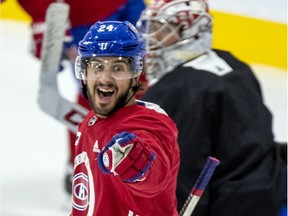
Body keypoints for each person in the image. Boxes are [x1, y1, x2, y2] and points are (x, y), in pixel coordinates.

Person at [137, 0, 287, 215]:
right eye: (152, 27)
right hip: (269, 183)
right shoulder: (232, 63)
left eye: (164, 29)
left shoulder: (177, 91)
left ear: (193, 32)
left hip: (237, 203)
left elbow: (182, 172)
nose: (153, 38)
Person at [16, 0, 147, 194]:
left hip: (127, 6)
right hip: (87, 23)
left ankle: (142, 154)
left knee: (140, 83)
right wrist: (46, 29)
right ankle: (83, 161)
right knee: (99, 90)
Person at [70, 20, 180, 215]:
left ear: (136, 74)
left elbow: (154, 179)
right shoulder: (90, 122)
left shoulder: (149, 124)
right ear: (84, 72)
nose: (105, 78)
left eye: (118, 68)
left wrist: (139, 166)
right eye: (97, 67)